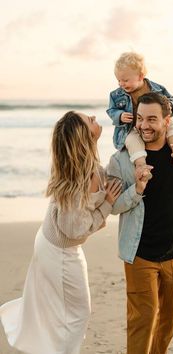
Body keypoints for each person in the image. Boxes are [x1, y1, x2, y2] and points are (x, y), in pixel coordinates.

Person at [0, 111, 122, 354]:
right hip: (60, 251)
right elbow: (73, 230)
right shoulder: (82, 176)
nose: (94, 116)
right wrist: (107, 204)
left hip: (53, 244)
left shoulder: (85, 165)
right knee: (77, 315)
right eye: (89, 119)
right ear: (84, 136)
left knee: (60, 313)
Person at [107, 92, 173, 354]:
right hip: (140, 254)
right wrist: (138, 188)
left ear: (167, 121)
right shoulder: (121, 160)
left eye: (152, 119)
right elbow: (113, 207)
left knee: (168, 320)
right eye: (140, 119)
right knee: (141, 321)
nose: (144, 125)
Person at [106, 51, 173, 177]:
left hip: (155, 124)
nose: (121, 84)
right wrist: (119, 115)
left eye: (125, 80)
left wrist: (169, 106)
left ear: (140, 76)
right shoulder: (116, 95)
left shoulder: (157, 89)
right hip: (132, 127)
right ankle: (141, 166)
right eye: (118, 80)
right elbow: (111, 110)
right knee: (132, 140)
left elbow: (171, 101)